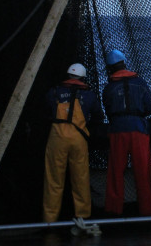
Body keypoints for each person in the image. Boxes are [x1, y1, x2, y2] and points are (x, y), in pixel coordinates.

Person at [43, 63, 102, 223]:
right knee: (80, 178)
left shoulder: (54, 92)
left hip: (57, 138)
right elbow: (98, 116)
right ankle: (83, 216)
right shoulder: (89, 95)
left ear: (68, 75)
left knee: (54, 179)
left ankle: (50, 219)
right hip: (78, 139)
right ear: (83, 77)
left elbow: (46, 111)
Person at [103, 49, 151, 216]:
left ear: (110, 68)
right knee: (143, 171)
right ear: (124, 63)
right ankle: (147, 211)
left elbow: (108, 109)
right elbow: (150, 106)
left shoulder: (109, 87)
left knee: (115, 171)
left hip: (118, 129)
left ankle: (113, 211)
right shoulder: (140, 83)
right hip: (139, 129)